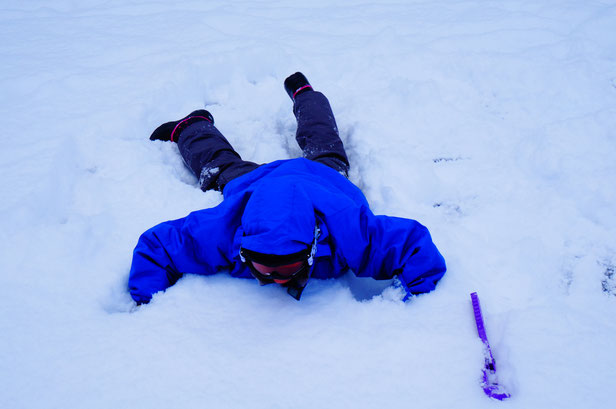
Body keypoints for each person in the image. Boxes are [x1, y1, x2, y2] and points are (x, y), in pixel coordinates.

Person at [128, 72, 446, 304]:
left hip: (323, 180)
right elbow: (158, 246)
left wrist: (418, 304)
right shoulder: (224, 231)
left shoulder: (349, 231)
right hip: (255, 187)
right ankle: (192, 127)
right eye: (263, 267)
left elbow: (412, 244)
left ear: (311, 248)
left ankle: (305, 94)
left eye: (288, 267)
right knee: (219, 168)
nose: (275, 278)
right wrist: (147, 303)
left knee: (323, 140)